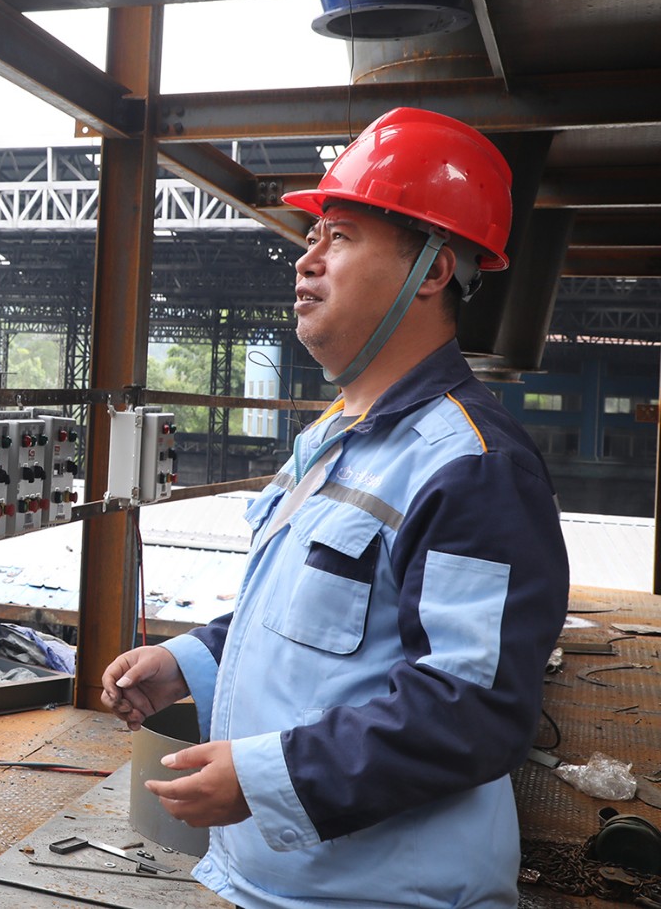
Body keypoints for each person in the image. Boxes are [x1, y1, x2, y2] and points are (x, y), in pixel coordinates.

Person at [102, 107, 569, 907]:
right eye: (312, 236)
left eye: (341, 237)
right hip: (281, 882)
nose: (306, 260)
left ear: (431, 271)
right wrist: (189, 663)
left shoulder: (474, 467)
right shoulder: (333, 434)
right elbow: (307, 618)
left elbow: (474, 707)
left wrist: (269, 776)